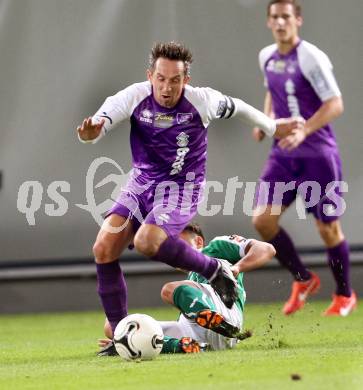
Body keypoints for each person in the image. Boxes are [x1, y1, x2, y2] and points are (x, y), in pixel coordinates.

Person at [77, 41, 302, 335]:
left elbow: (240, 107)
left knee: (147, 241)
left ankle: (214, 269)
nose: (167, 88)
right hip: (141, 184)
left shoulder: (202, 101)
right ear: (150, 76)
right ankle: (122, 336)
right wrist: (92, 132)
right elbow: (101, 121)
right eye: (161, 78)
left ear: (186, 80)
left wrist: (273, 127)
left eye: (175, 80)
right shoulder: (135, 96)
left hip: (181, 188)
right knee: (103, 248)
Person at [252, 0, 357, 316]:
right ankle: (303, 278)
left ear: (297, 19)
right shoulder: (266, 57)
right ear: (269, 23)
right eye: (275, 17)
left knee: (327, 228)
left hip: (317, 154)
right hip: (283, 154)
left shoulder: (311, 57)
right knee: (262, 220)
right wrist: (266, 122)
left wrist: (304, 130)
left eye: (286, 16)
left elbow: (335, 103)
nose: (280, 22)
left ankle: (344, 294)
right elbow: (273, 90)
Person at [98, 222, 275, 355]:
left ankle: (220, 323)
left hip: (225, 310)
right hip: (192, 331)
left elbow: (267, 249)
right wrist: (126, 340)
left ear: (198, 241)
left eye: (176, 242)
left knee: (169, 290)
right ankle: (183, 346)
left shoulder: (216, 247)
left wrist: (237, 268)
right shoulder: (191, 278)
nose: (170, 250)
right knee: (117, 327)